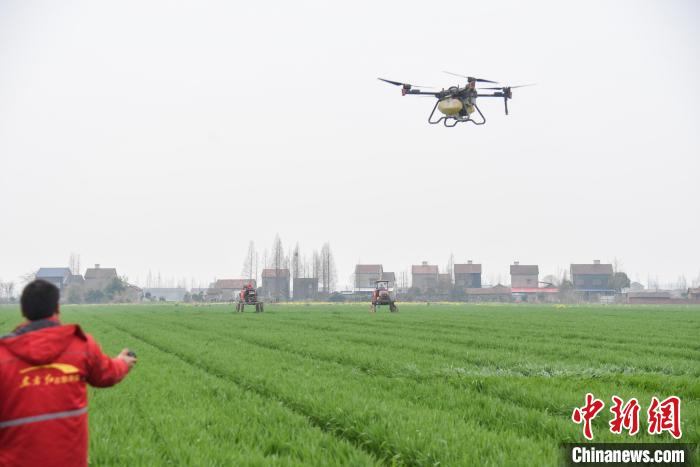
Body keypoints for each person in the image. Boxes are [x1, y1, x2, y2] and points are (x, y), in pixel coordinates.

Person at [0, 279, 137, 467]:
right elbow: (107, 374)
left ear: (23, 311)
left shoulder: (3, 355)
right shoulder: (81, 346)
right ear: (57, 307)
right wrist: (123, 362)